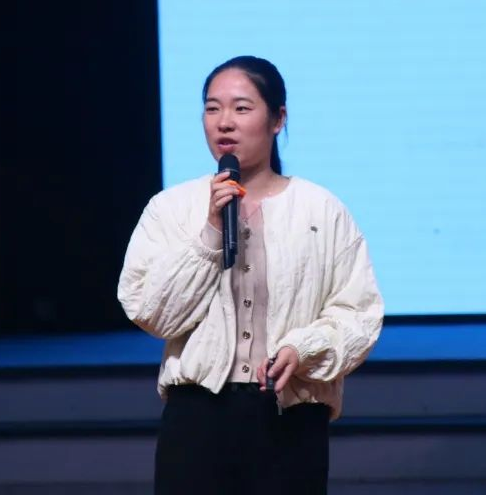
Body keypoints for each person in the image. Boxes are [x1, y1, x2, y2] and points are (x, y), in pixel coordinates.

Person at [117, 55, 384, 494]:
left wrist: (303, 348)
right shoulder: (170, 209)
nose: (224, 122)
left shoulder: (320, 210)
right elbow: (150, 311)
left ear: (278, 119)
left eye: (241, 108)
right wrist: (209, 231)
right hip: (196, 419)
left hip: (289, 418)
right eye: (212, 108)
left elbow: (359, 314)